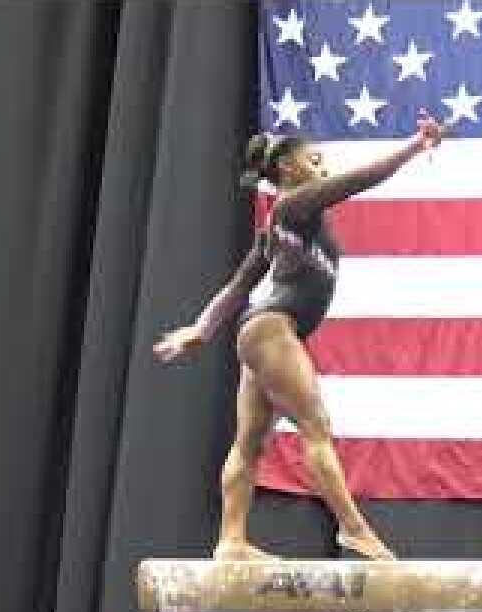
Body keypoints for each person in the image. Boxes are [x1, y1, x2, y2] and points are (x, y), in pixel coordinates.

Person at [154, 110, 447, 561]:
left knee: (249, 443)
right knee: (316, 426)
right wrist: (416, 145)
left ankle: (231, 540)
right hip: (273, 329)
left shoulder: (278, 225)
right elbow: (362, 179)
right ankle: (353, 528)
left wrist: (202, 328)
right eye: (314, 161)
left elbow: (239, 287)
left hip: (260, 332)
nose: (323, 170)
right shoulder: (295, 205)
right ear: (287, 168)